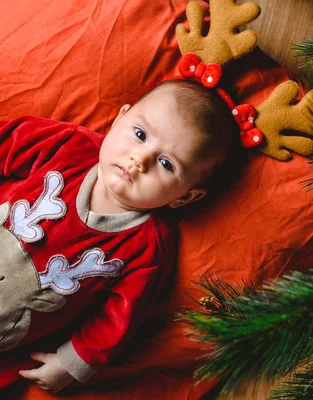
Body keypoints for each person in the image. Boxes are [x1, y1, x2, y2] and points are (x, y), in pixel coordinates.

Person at [0, 78, 236, 393]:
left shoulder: (148, 247)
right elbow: (8, 141)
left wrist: (72, 362)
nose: (140, 160)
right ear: (119, 118)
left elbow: (117, 319)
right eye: (139, 135)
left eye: (166, 164)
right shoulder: (70, 147)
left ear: (185, 197)